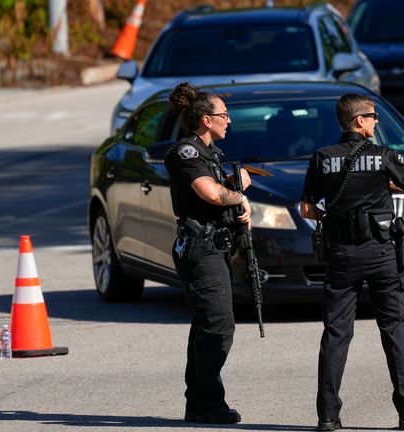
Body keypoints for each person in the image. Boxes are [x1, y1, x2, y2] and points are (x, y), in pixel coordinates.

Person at [299, 94, 404, 431]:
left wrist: (329, 214)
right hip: (380, 253)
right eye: (373, 116)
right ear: (359, 121)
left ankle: (328, 416)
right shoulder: (383, 155)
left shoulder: (322, 157)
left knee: (335, 333)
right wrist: (393, 187)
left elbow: (306, 209)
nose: (377, 121)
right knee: (394, 329)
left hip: (342, 254)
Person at [165, 82, 252, 424]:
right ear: (205, 120)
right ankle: (208, 403)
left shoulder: (210, 153)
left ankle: (199, 402)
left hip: (214, 247)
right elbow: (209, 193)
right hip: (200, 248)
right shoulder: (187, 153)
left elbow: (225, 187)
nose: (228, 121)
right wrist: (237, 197)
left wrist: (237, 187)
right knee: (218, 326)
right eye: (223, 115)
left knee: (207, 325)